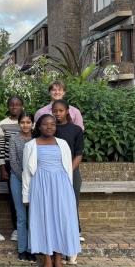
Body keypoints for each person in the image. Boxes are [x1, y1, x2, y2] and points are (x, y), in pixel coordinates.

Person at [22, 114, 81, 267]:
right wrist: (26, 197)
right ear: (39, 127)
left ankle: (58, 259)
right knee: (45, 221)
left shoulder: (63, 144)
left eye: (53, 124)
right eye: (45, 124)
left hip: (61, 186)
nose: (49, 127)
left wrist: (68, 190)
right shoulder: (31, 145)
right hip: (40, 187)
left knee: (60, 221)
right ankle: (47, 258)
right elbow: (26, 173)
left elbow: (68, 168)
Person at [52, 99, 85, 243]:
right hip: (52, 172)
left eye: (61, 110)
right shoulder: (49, 128)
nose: (58, 113)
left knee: (72, 202)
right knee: (54, 203)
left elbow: (79, 154)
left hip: (71, 172)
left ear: (67, 111)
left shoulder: (75, 130)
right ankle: (56, 232)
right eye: (55, 111)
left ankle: (75, 231)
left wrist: (69, 171)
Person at [8, 112, 37, 263]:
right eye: (22, 122)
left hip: (36, 181)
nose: (25, 125)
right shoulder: (14, 138)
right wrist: (24, 178)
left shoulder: (37, 139)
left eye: (28, 122)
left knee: (33, 216)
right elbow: (13, 161)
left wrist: (32, 179)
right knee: (21, 216)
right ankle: (22, 249)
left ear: (32, 124)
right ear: (19, 124)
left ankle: (32, 249)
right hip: (17, 179)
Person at [0, 96, 24, 242]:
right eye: (11, 105)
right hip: (9, 164)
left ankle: (28, 227)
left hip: (27, 164)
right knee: (14, 198)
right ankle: (16, 229)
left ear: (22, 106)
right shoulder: (3, 124)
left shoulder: (27, 122)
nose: (14, 107)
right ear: (8, 107)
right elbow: (0, 149)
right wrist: (2, 168)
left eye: (17, 104)